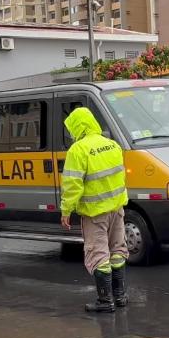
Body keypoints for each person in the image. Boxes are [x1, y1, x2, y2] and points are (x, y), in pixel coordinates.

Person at [60, 107, 129, 313]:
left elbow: (72, 185)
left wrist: (66, 210)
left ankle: (105, 301)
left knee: (99, 255)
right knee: (117, 251)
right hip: (117, 209)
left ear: (77, 127)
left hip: (95, 212)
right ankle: (120, 296)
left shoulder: (78, 150)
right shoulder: (112, 145)